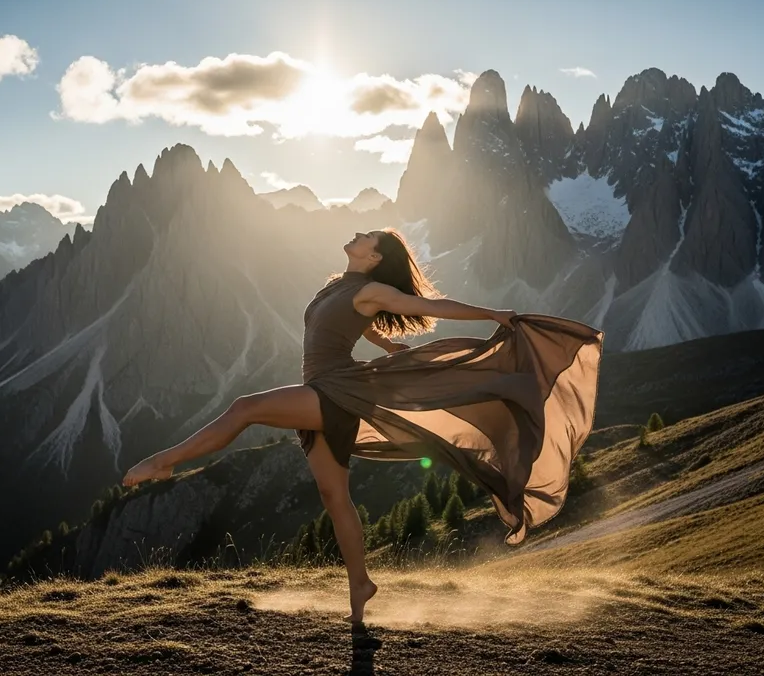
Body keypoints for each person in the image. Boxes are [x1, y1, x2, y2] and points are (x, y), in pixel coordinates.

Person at [123, 228, 603, 623]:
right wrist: (386, 345)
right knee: (334, 498)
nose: (357, 233)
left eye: (367, 236)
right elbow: (354, 322)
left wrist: (491, 314)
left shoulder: (373, 290)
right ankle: (361, 585)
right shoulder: (341, 285)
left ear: (374, 258)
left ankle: (164, 461)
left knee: (245, 407)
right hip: (324, 387)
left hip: (335, 391)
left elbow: (431, 308)